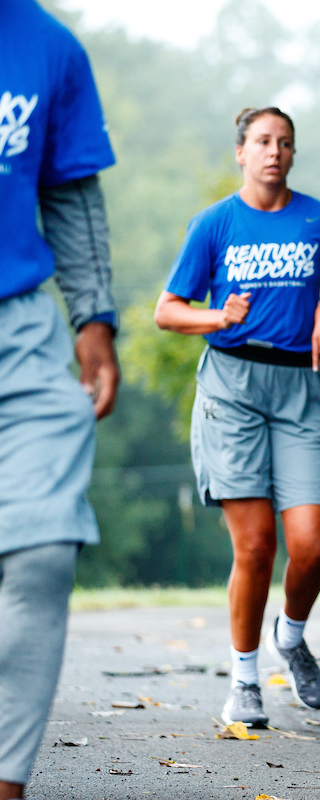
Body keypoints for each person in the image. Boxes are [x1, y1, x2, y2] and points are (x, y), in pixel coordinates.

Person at [154, 107, 320, 728]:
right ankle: (244, 678)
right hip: (232, 386)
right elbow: (168, 310)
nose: (274, 151)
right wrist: (216, 317)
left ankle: (290, 635)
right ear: (241, 152)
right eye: (263, 142)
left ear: (293, 154)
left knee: (314, 542)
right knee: (255, 545)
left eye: (285, 143)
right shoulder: (214, 223)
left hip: (300, 386)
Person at [0, 3, 121, 796]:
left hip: (23, 327)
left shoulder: (47, 45)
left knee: (41, 552)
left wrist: (94, 319)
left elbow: (71, 196)